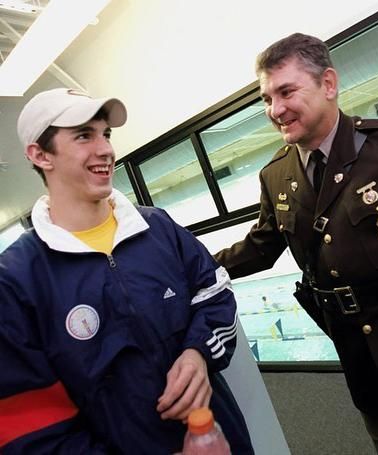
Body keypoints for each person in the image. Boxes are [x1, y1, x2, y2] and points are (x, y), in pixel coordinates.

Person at [215, 33, 378, 454]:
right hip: (368, 363)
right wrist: (186, 264)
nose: (276, 109)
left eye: (287, 91)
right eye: (267, 99)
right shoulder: (276, 176)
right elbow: (261, 246)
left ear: (328, 84)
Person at [0, 88, 254, 454]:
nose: (105, 149)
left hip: (219, 442)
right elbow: (34, 429)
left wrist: (198, 351)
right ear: (40, 155)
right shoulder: (17, 280)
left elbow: (215, 294)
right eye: (84, 135)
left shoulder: (157, 227)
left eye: (106, 134)